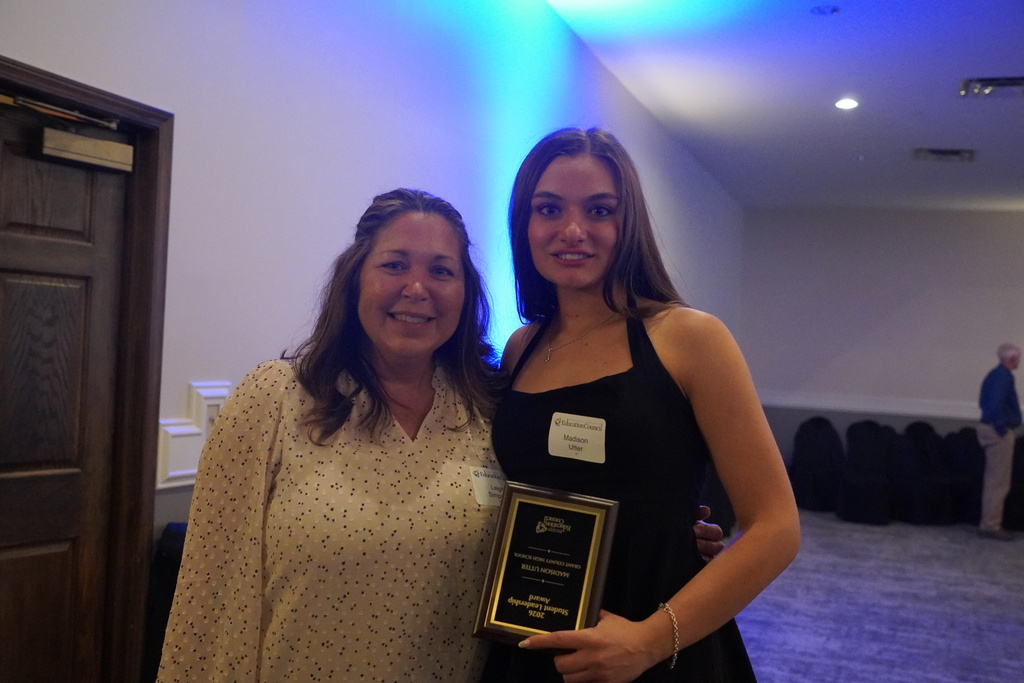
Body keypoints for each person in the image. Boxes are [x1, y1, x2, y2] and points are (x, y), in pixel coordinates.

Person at [157, 188, 725, 682]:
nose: (417, 288)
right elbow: (206, 598)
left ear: (466, 291)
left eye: (441, 270)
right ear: (354, 277)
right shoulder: (275, 398)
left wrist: (665, 533)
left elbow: (554, 515)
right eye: (394, 264)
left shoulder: (495, 406)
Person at [482, 128, 801, 682]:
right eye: (549, 208)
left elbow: (777, 527)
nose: (572, 230)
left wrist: (647, 643)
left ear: (628, 225)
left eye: (600, 209)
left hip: (656, 650)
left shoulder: (689, 338)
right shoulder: (521, 347)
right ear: (524, 224)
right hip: (532, 640)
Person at [976, 343, 1022, 541]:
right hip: (998, 432)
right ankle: (991, 525)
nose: (1019, 361)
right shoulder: (1004, 377)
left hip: (990, 428)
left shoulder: (994, 375)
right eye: (1018, 357)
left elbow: (984, 402)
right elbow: (994, 405)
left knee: (994, 479)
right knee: (998, 482)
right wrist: (1002, 430)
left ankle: (990, 522)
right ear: (1011, 359)